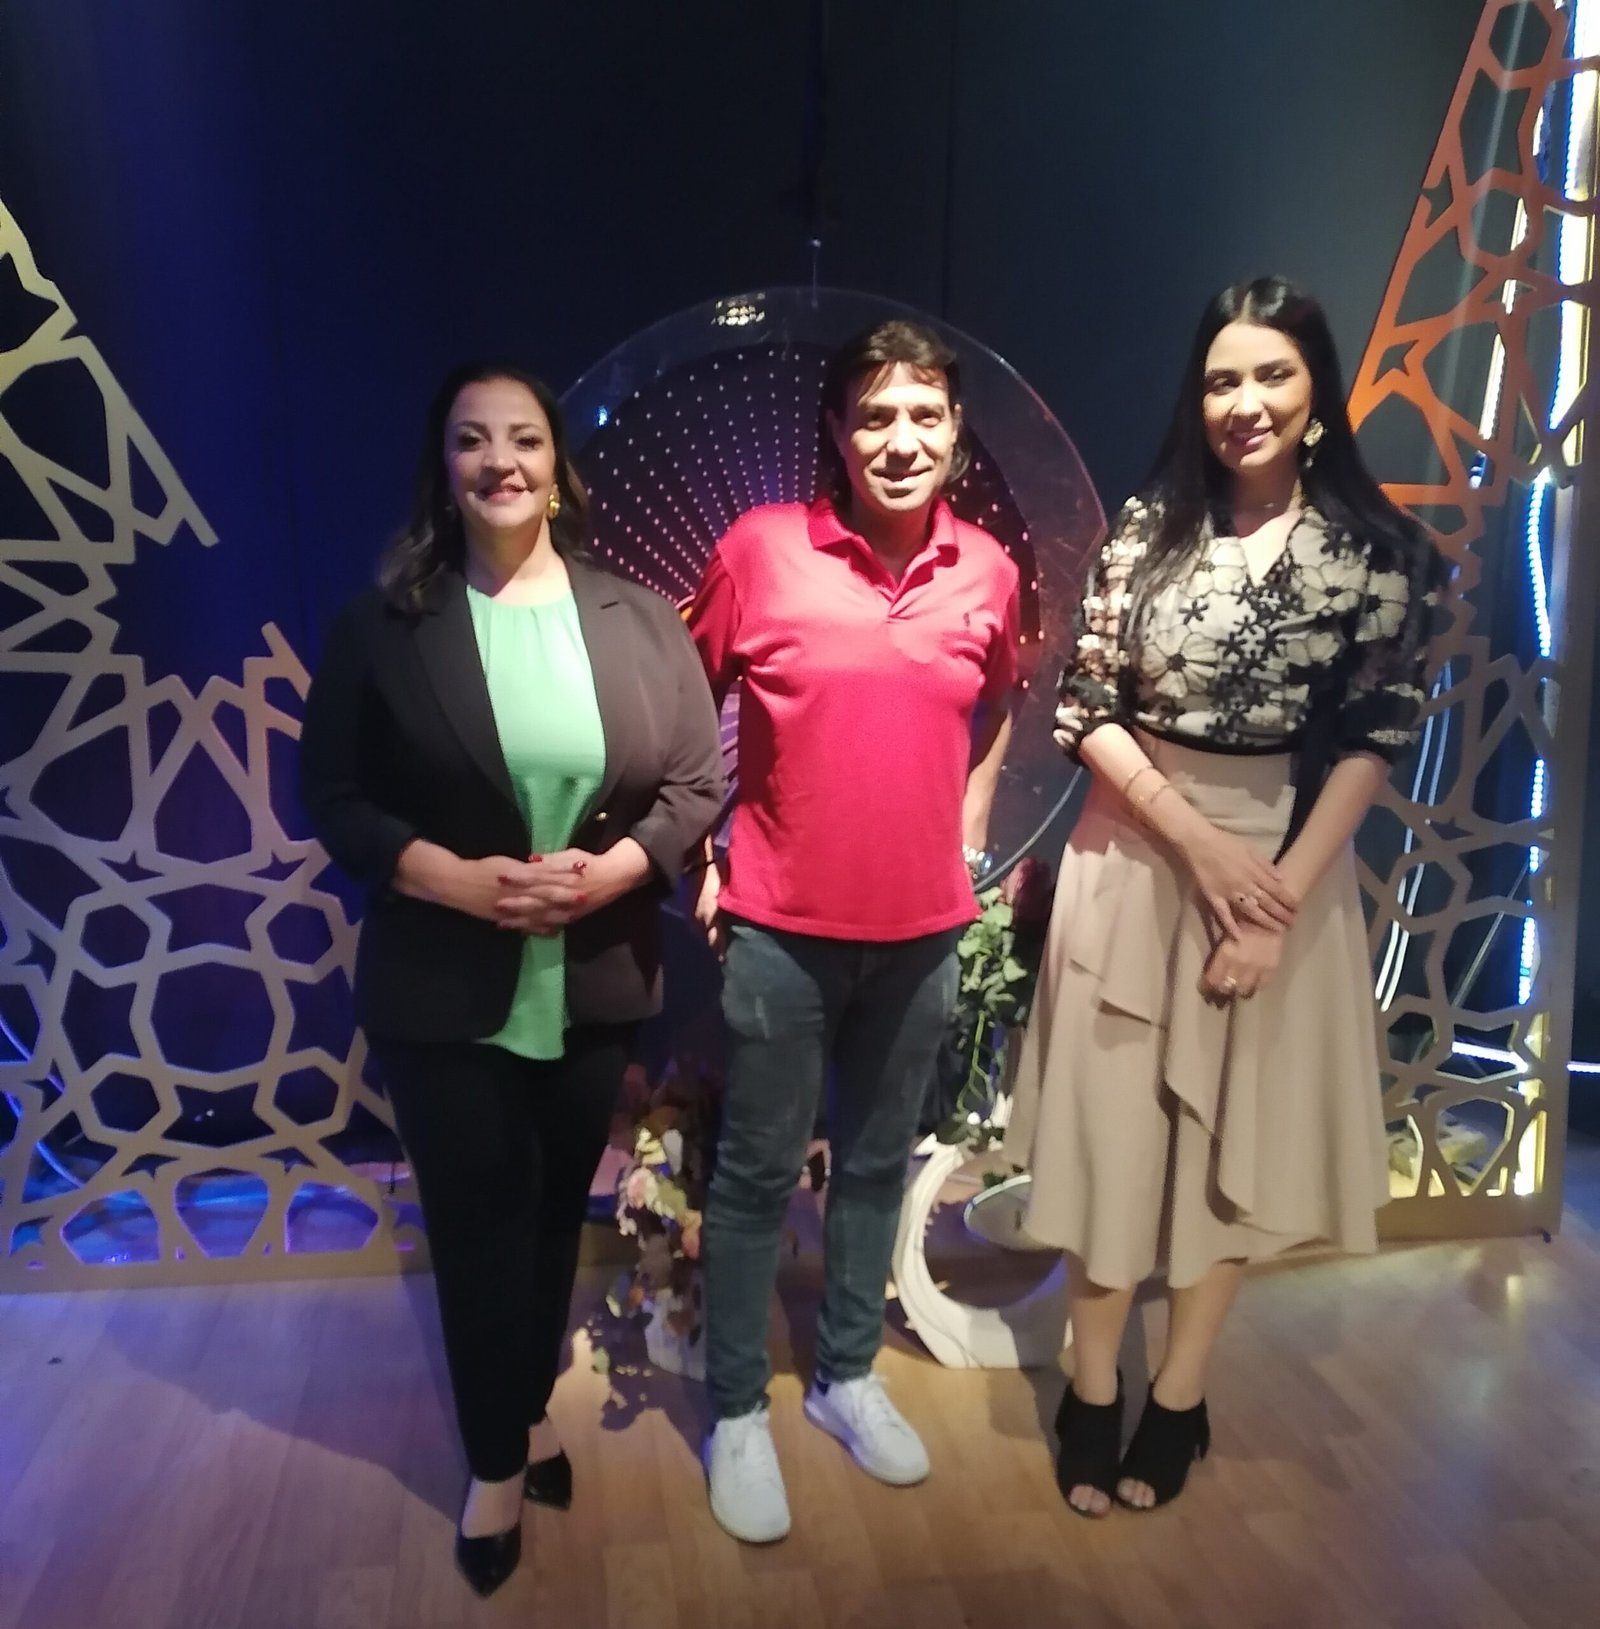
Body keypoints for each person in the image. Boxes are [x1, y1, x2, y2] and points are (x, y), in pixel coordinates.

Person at [1006, 276, 1446, 1517]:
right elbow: (1084, 709)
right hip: (1134, 850)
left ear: (1317, 394)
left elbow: (1372, 740)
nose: (1243, 402)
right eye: (1220, 380)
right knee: (1107, 1141)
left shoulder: (1376, 554)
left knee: (1220, 1155)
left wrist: (1274, 905)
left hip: (1279, 872)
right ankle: (1092, 1387)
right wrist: (1195, 846)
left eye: (1271, 376)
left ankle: (1180, 1397)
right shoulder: (1148, 529)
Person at [298, 362, 724, 1595]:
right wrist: (450, 878)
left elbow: (697, 779)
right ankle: (495, 1461)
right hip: (443, 983)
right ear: (444, 468)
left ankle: (529, 1406)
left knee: (547, 1221)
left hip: (594, 976)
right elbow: (332, 795)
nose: (501, 462)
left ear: (557, 464)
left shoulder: (637, 617)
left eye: (524, 439)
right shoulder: (383, 624)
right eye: (473, 441)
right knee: (477, 1224)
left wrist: (614, 873)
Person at [687, 319, 1021, 1543]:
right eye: (875, 415)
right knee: (755, 1174)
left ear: (956, 433)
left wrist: (967, 832)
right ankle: (735, 1409)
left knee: (878, 1166)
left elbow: (997, 702)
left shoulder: (987, 569)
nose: (900, 439)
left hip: (924, 933)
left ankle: (843, 1378)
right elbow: (682, 703)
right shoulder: (762, 549)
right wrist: (703, 849)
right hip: (779, 929)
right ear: (837, 431)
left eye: (925, 415)